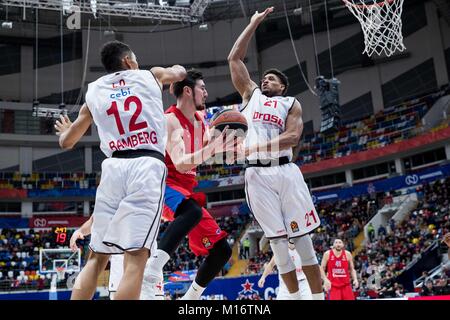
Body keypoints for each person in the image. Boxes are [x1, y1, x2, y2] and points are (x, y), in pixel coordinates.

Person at [56, 40, 186, 300]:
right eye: (134, 58)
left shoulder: (94, 92)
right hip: (146, 165)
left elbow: (66, 142)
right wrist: (177, 69)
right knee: (136, 257)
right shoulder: (150, 76)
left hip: (113, 168)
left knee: (96, 258)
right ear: (128, 61)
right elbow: (180, 73)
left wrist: (68, 130)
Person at [228, 7, 323, 300]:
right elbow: (234, 59)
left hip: (284, 171)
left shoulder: (291, 103)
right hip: (257, 174)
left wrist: (252, 147)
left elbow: (292, 137)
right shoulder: (251, 96)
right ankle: (294, 299)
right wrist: (253, 23)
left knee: (302, 242)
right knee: (279, 245)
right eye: (264, 78)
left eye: (272, 79)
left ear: (282, 86)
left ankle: (318, 298)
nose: (266, 80)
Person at [140, 69, 237, 300]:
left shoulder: (201, 120)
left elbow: (206, 149)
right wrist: (213, 149)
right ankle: (152, 269)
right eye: (202, 88)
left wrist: (228, 148)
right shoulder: (170, 120)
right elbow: (182, 164)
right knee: (192, 210)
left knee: (222, 250)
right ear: (187, 90)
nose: (206, 92)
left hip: (185, 191)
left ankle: (190, 299)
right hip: (161, 186)